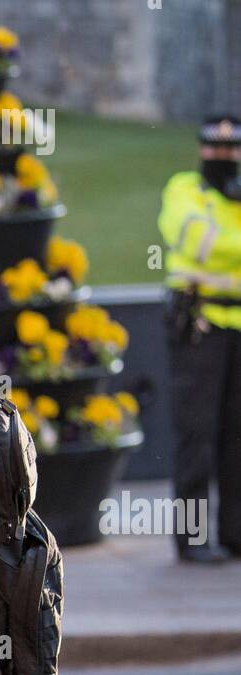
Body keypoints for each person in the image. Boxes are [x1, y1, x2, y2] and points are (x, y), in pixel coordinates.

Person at [158, 114, 241, 562]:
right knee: (197, 435)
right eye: (214, 147)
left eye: (231, 149)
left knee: (237, 437)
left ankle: (235, 534)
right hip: (199, 327)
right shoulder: (185, 189)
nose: (222, 156)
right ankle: (191, 542)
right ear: (200, 149)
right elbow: (195, 240)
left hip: (239, 328)